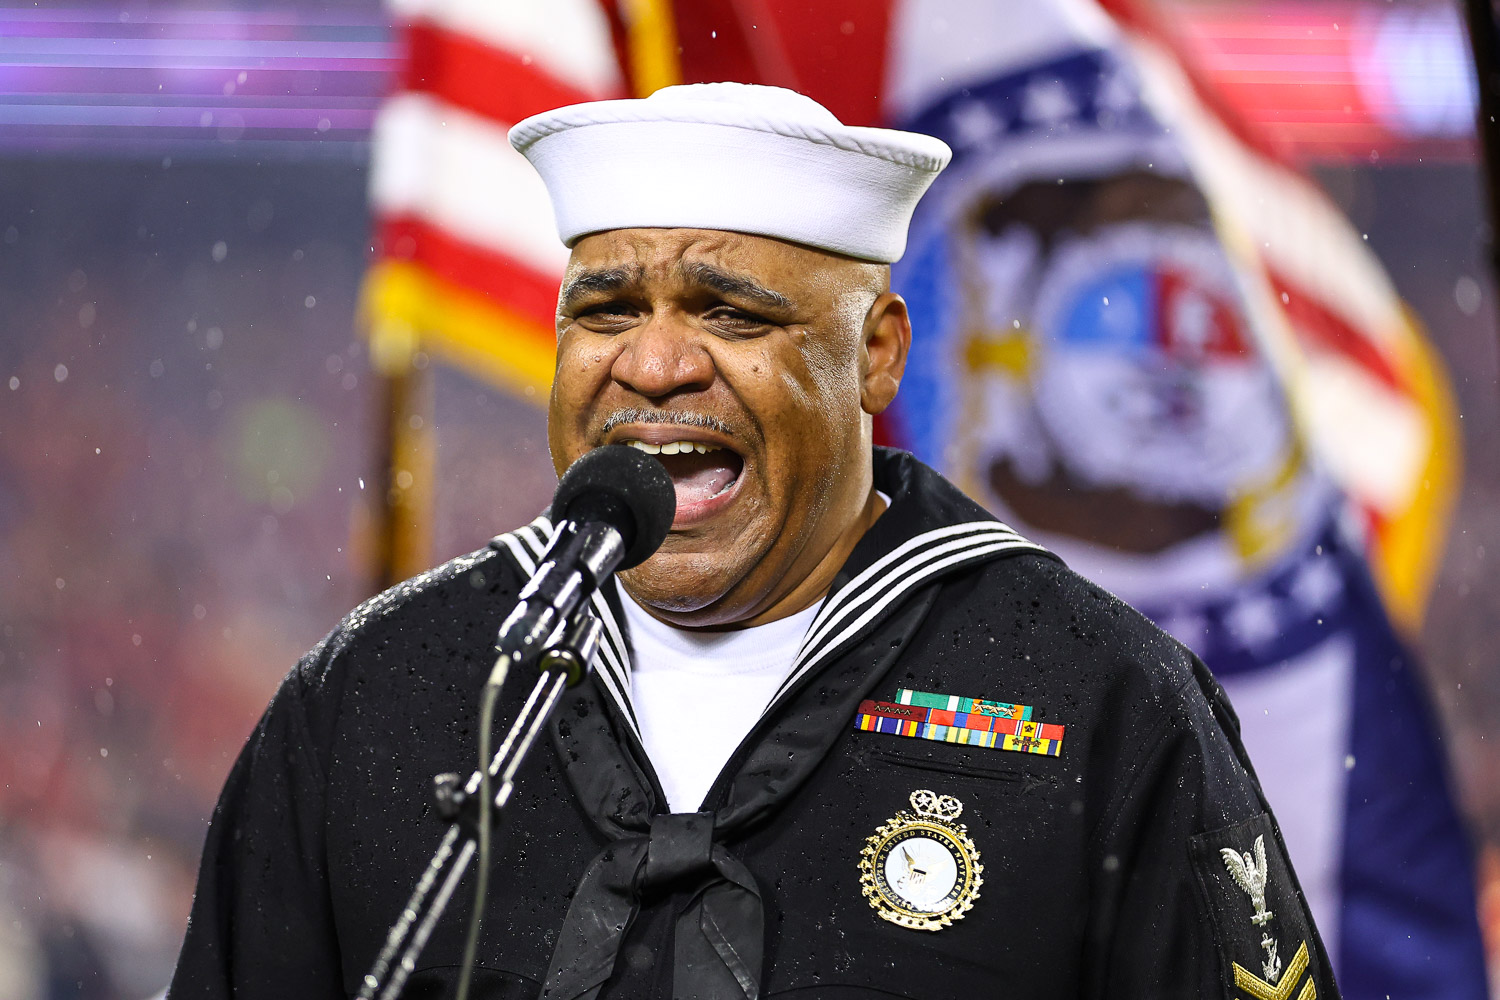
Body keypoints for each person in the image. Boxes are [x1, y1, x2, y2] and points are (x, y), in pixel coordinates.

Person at [168, 83, 1341, 1000]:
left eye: (732, 311)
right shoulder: (377, 696)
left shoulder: (1097, 704)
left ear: (877, 353)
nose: (658, 362)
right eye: (609, 308)